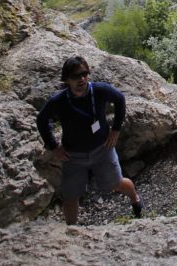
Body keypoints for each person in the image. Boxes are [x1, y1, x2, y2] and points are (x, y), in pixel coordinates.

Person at [36, 56, 143, 224]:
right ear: (67, 79)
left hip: (102, 149)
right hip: (73, 156)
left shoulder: (99, 90)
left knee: (116, 184)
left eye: (84, 74)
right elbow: (42, 120)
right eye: (76, 76)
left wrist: (116, 129)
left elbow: (120, 99)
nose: (82, 79)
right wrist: (53, 146)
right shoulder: (60, 101)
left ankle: (136, 200)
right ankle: (72, 232)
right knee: (71, 196)